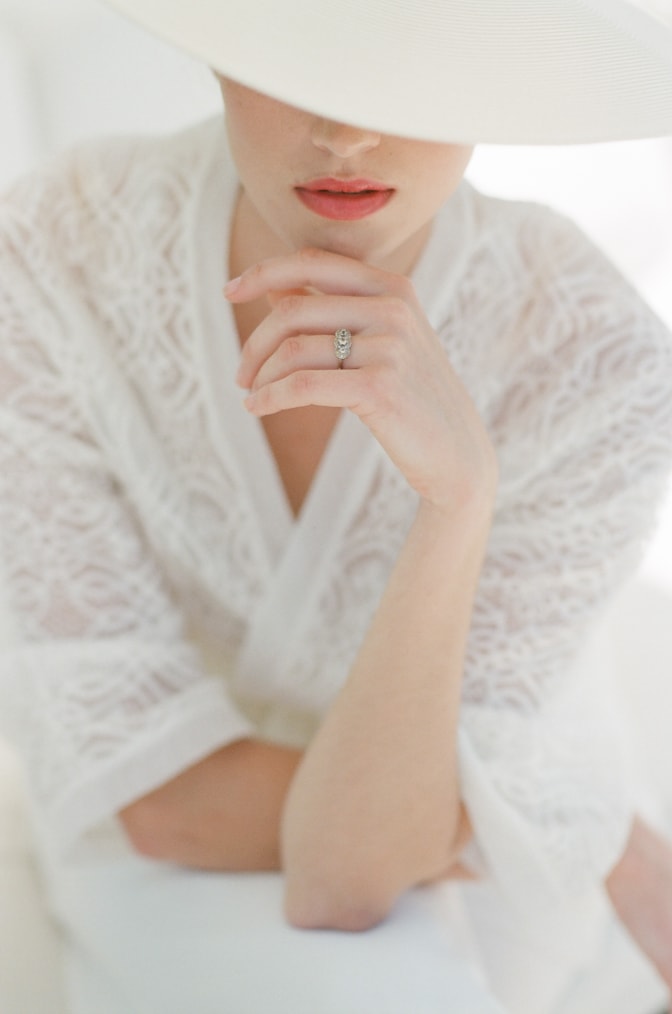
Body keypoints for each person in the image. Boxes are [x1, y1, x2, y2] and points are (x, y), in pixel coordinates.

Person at [1, 1, 672, 1011]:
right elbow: (159, 808)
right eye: (305, 54)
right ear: (216, 46)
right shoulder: (54, 250)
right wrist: (505, 818)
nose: (348, 133)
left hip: (487, 868)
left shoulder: (598, 358)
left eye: (415, 64)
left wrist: (457, 499)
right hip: (176, 852)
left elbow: (344, 882)